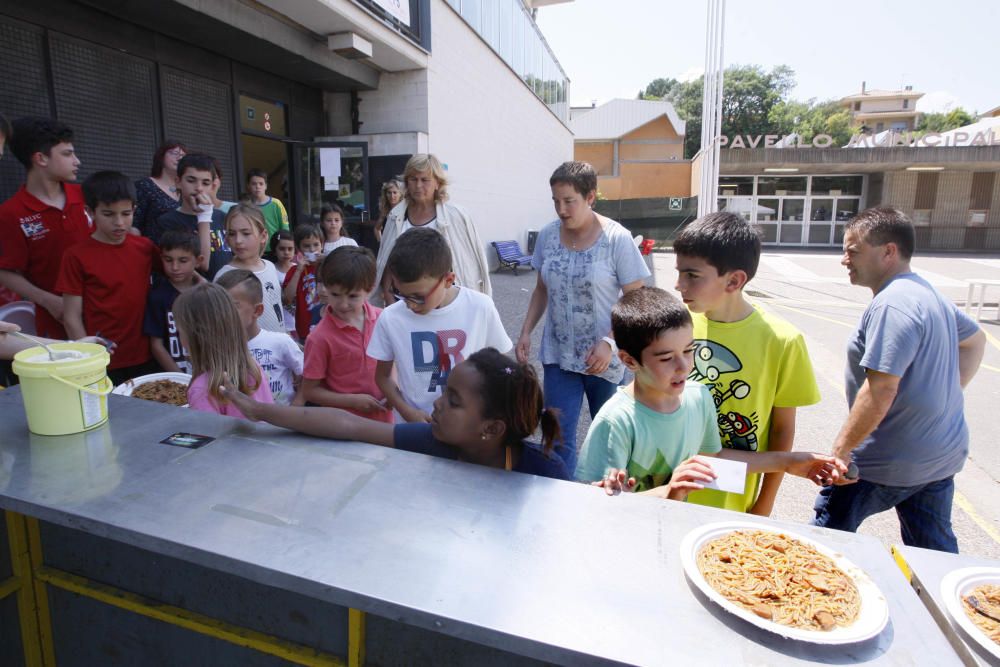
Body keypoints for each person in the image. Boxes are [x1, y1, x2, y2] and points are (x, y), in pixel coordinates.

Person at [812, 207, 985, 553]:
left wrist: (841, 454)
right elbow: (975, 340)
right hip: (938, 458)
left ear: (888, 251)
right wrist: (944, 394)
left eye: (853, 250)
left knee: (824, 544)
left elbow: (880, 389)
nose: (844, 259)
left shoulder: (893, 304)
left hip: (883, 464)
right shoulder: (927, 292)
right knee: (934, 553)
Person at [576, 287, 845, 500]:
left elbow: (712, 460)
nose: (684, 366)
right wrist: (667, 492)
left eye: (689, 350)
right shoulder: (617, 421)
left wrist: (788, 462)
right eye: (667, 357)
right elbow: (598, 504)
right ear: (629, 361)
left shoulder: (699, 397)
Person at [220, 347, 570, 480]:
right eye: (444, 392)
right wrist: (260, 410)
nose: (436, 404)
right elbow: (348, 425)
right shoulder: (435, 441)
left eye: (454, 401)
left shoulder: (543, 474)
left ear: (491, 429)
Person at [672, 212, 820, 516]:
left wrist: (765, 502)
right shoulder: (676, 325)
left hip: (731, 491)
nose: (678, 285)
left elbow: (782, 431)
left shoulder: (783, 340)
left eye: (692, 275)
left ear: (734, 280)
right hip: (669, 479)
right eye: (678, 273)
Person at [516, 161, 649, 472]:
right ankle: (563, 502)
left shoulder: (617, 239)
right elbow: (540, 290)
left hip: (604, 359)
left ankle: (611, 503)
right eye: (555, 201)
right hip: (560, 356)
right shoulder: (548, 236)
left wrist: (609, 342)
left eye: (569, 201)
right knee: (558, 439)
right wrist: (525, 332)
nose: (561, 209)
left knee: (611, 438)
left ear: (590, 197)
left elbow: (636, 298)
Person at [369, 227, 511, 423]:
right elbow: (382, 377)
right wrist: (406, 411)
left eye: (418, 297)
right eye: (399, 293)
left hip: (466, 426)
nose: (409, 304)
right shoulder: (390, 317)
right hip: (414, 426)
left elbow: (500, 369)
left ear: (448, 280)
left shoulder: (480, 307)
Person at [55, 171, 158, 384]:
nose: (119, 222)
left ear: (134, 210)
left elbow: (178, 275)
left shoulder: (145, 248)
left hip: (149, 354)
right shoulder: (75, 256)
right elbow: (71, 316)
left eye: (126, 213)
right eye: (109, 214)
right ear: (90, 212)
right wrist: (88, 358)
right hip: (102, 359)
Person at [0, 117, 91, 338]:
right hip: (55, 325)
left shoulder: (88, 197)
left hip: (107, 314)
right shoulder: (11, 213)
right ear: (40, 158)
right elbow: (5, 271)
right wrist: (46, 300)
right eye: (67, 154)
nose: (77, 161)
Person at [374, 154, 491, 305]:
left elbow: (471, 263)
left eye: (425, 180)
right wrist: (390, 299)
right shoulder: (395, 216)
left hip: (445, 302)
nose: (418, 186)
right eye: (413, 179)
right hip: (403, 301)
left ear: (438, 183)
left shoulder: (456, 216)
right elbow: (388, 262)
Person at [302, 246, 391, 422]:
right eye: (335, 295)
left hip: (384, 421)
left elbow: (392, 363)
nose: (343, 304)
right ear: (325, 287)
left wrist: (394, 391)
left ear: (370, 289)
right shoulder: (319, 338)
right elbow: (309, 391)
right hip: (344, 427)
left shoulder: (384, 320)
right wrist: (352, 401)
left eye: (352, 296)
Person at [172, 282, 274, 417]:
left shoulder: (202, 389)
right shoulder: (253, 368)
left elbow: (206, 436)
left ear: (194, 337)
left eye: (180, 331)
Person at [217, 270, 303, 406]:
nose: (223, 313)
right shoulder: (218, 348)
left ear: (257, 310)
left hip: (281, 423)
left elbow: (305, 378)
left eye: (232, 306)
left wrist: (295, 409)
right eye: (218, 307)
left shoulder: (281, 342)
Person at [147, 153, 232, 280]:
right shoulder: (166, 222)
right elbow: (202, 265)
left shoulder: (223, 217)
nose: (198, 188)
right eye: (191, 180)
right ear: (178, 182)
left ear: (212, 186)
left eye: (205, 183)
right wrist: (204, 215)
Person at [213, 204, 284, 333]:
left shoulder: (270, 267)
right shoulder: (223, 276)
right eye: (232, 234)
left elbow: (277, 311)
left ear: (263, 236)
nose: (238, 240)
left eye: (246, 233)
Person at [144, 230, 200, 373]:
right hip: (173, 376)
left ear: (198, 261)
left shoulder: (205, 294)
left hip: (206, 375)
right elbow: (156, 345)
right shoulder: (158, 296)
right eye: (168, 260)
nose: (175, 267)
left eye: (183, 260)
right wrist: (180, 377)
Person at [282, 224, 325, 340]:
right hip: (305, 330)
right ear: (299, 249)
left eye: (316, 244)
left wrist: (327, 262)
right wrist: (299, 270)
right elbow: (287, 299)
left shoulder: (329, 265)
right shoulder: (294, 270)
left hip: (327, 326)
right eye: (306, 246)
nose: (312, 249)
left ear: (322, 244)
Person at [133, 141, 185, 236]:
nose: (180, 158)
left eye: (183, 155)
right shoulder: (145, 185)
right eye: (174, 153)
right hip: (152, 247)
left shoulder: (186, 189)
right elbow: (134, 223)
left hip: (183, 248)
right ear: (161, 157)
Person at [245, 168, 289, 238]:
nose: (258, 187)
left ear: (266, 186)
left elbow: (284, 228)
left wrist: (279, 241)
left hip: (274, 247)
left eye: (261, 184)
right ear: (248, 186)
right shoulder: (246, 207)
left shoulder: (276, 204)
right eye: (254, 184)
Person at [268, 229, 297, 335]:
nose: (286, 252)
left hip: (300, 323)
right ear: (274, 250)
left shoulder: (299, 269)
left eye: (290, 249)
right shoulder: (271, 270)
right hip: (281, 325)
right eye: (282, 249)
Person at [374, 178, 403, 244]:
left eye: (395, 192)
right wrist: (381, 243)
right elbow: (376, 229)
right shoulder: (384, 210)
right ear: (385, 194)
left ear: (400, 194)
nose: (392, 196)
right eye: (389, 193)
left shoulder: (405, 209)